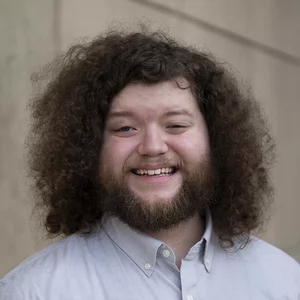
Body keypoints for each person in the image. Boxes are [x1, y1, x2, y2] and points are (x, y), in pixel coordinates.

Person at [0, 27, 299, 300]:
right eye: (125, 128)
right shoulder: (33, 292)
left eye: (176, 125)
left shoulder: (284, 282)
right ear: (90, 148)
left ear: (216, 140)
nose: (153, 147)